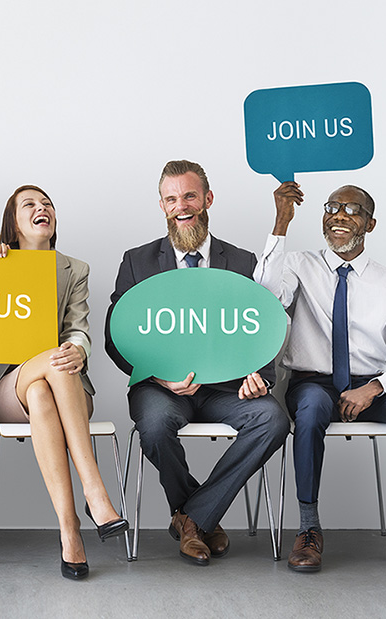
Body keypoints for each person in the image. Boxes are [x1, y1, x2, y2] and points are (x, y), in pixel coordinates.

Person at [105, 160, 289, 566]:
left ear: (207, 199)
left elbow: (261, 328)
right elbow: (116, 338)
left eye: (189, 195)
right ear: (162, 205)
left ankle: (192, 519)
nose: (181, 206)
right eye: (171, 199)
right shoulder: (137, 261)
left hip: (227, 390)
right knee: (153, 425)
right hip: (162, 389)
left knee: (273, 419)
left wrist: (257, 376)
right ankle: (200, 517)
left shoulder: (242, 262)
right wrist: (159, 377)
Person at [256, 182, 386, 573]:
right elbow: (264, 296)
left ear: (370, 224)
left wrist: (375, 388)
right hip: (313, 383)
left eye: (352, 209)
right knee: (309, 408)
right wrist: (281, 222)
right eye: (332, 207)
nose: (339, 215)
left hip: (369, 386)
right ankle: (309, 530)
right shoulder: (297, 264)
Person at [0, 185, 127, 580]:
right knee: (49, 370)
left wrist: (78, 349)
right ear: (14, 223)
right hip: (8, 387)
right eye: (30, 205)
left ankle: (70, 530)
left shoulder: (74, 269)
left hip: (64, 388)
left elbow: (78, 330)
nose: (42, 209)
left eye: (47, 204)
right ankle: (95, 491)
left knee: (48, 381)